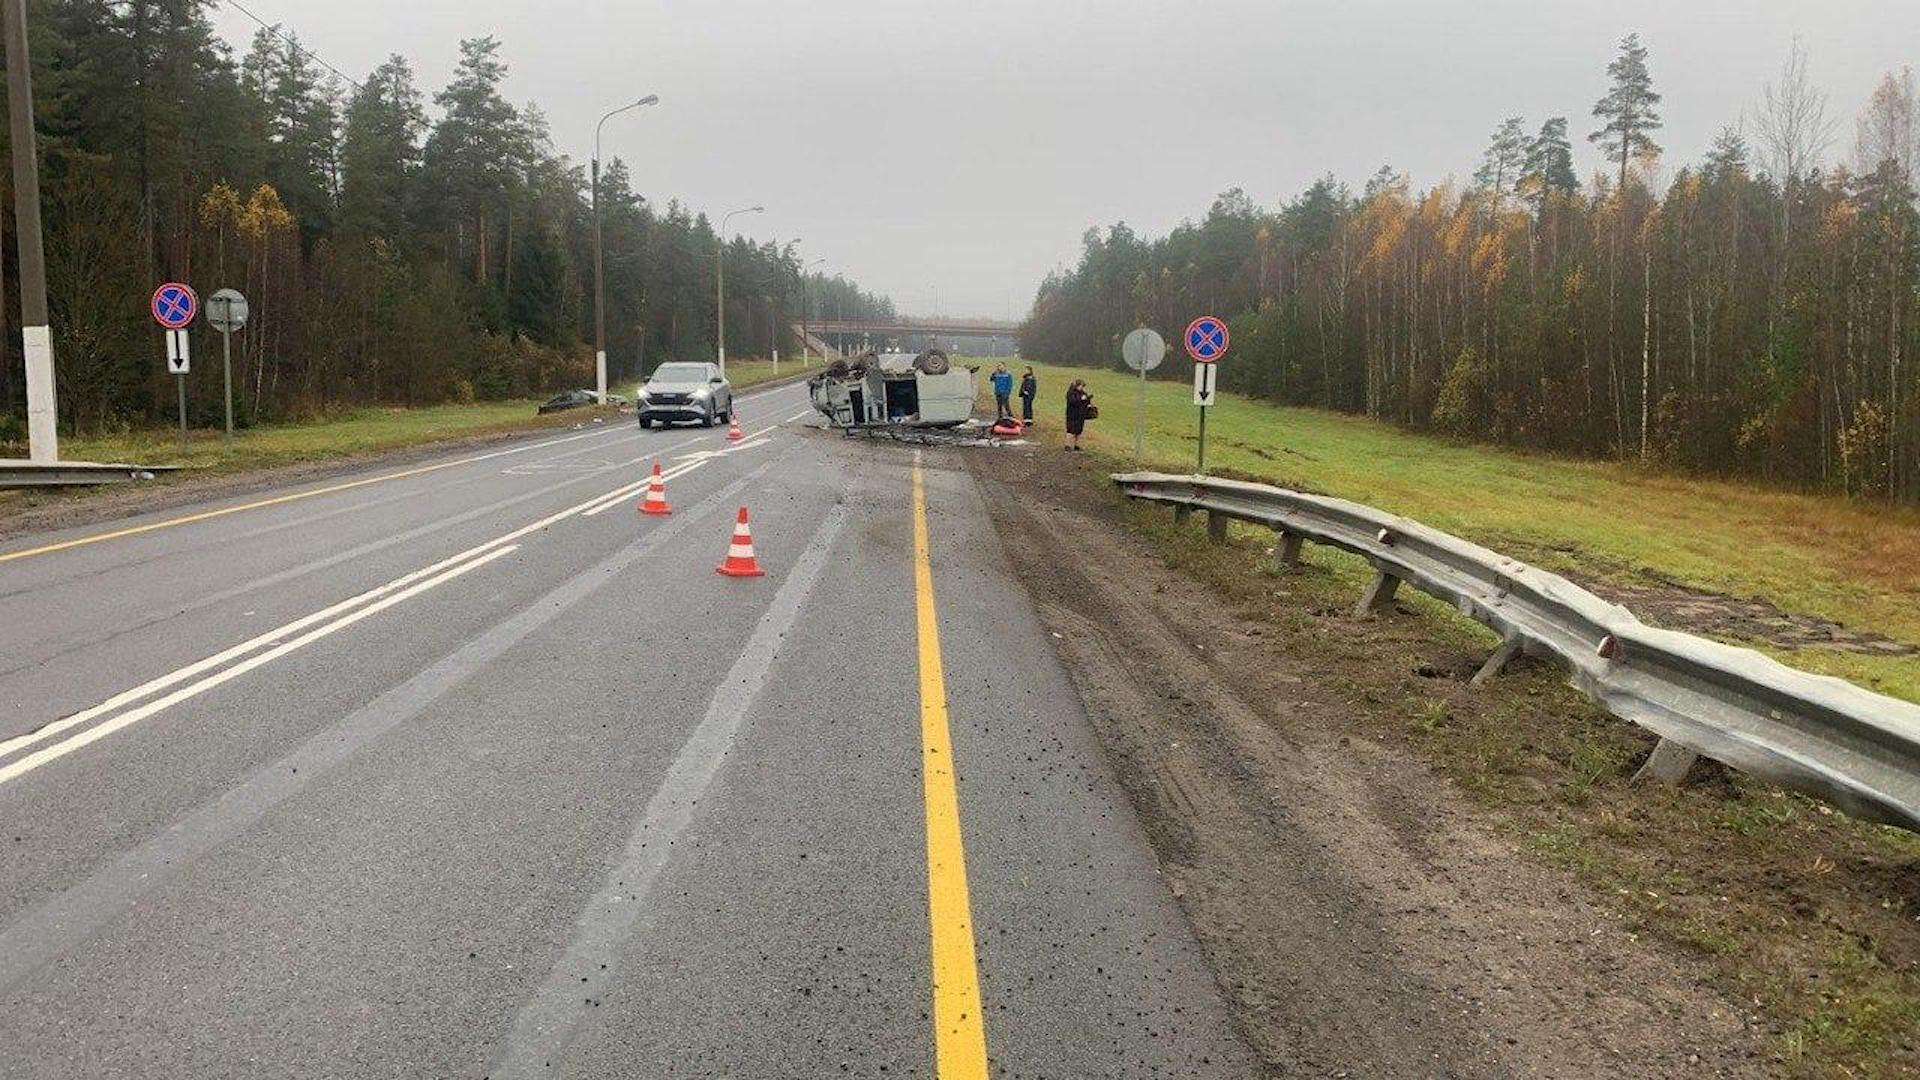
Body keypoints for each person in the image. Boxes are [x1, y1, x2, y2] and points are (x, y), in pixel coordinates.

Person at [1065, 379, 1093, 450]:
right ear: (1077, 385)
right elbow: (1072, 401)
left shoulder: (1083, 393)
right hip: (1072, 414)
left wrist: (1088, 402)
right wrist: (1081, 399)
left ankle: (1076, 445)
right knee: (1071, 430)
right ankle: (1068, 445)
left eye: (1083, 386)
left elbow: (1086, 400)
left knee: (1078, 430)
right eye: (1081, 386)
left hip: (1081, 415)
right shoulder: (1071, 392)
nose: (1082, 388)